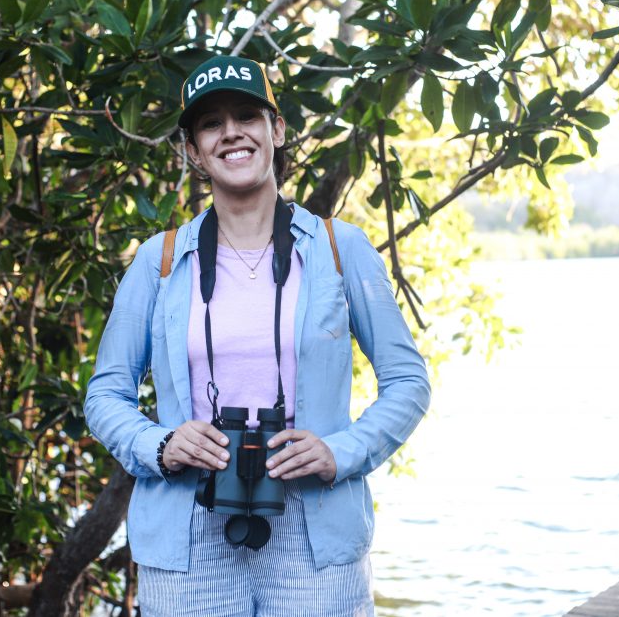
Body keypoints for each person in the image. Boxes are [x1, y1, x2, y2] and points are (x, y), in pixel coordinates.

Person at [84, 55, 430, 616]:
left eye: (247, 116)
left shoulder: (340, 249)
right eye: (211, 124)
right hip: (188, 529)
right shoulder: (159, 261)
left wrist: (340, 452)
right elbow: (105, 394)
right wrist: (162, 445)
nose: (231, 133)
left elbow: (408, 380)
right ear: (193, 150)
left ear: (278, 130)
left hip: (315, 529)